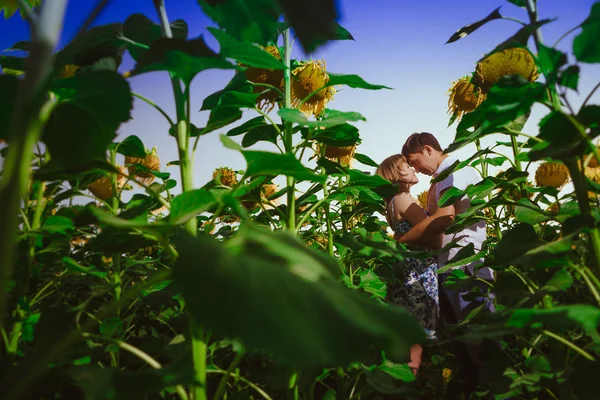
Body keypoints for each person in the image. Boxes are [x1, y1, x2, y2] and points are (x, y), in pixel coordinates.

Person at [396, 132, 495, 394]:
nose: (415, 167)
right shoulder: (441, 178)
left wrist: (401, 240)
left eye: (414, 160)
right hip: (451, 267)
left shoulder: (454, 171)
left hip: (467, 267)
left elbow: (443, 219)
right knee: (464, 346)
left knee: (482, 343)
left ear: (428, 149)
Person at [375, 153, 441, 376]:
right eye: (407, 166)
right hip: (419, 273)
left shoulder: (393, 203)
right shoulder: (403, 199)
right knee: (416, 341)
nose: (413, 169)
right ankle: (409, 386)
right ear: (396, 175)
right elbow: (429, 230)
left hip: (410, 272)